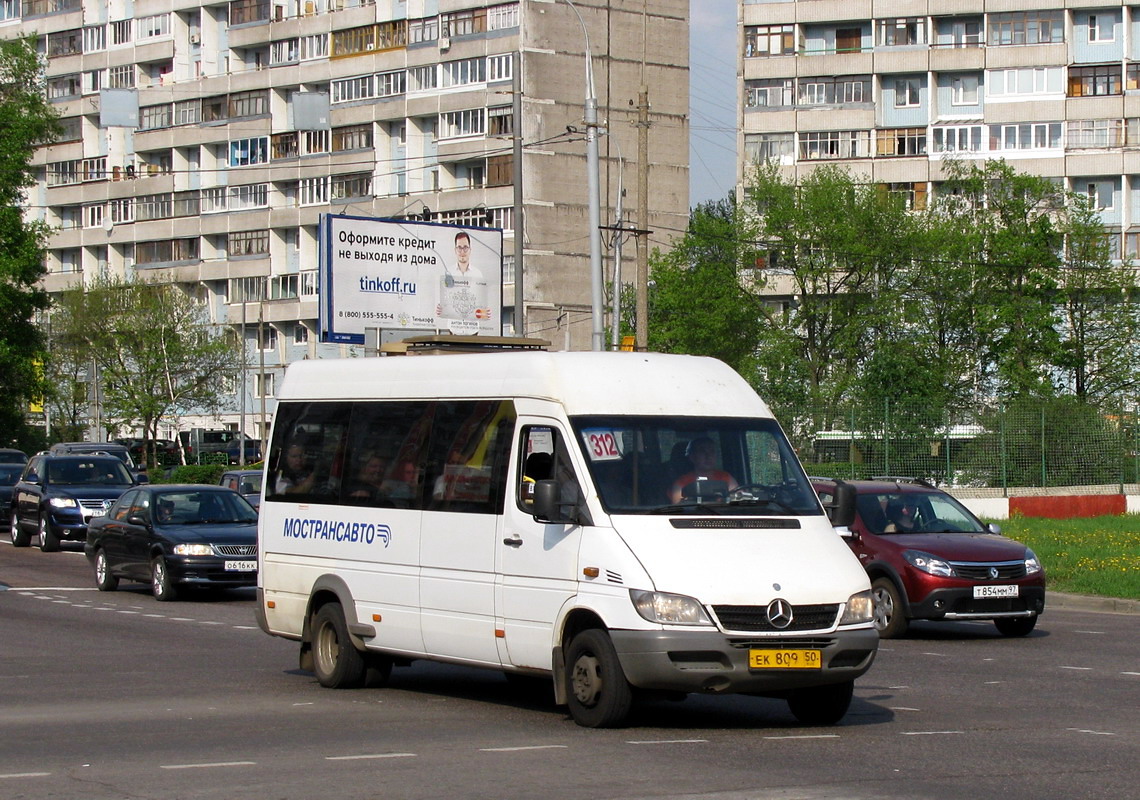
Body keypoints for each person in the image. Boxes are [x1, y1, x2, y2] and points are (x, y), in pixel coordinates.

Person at [436, 231, 490, 332]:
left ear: (470, 250)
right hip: (454, 330)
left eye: (465, 247)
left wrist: (485, 311)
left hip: (472, 330)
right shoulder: (448, 273)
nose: (462, 251)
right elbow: (445, 299)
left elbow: (481, 302)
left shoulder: (477, 274)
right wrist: (440, 308)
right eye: (459, 248)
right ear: (455, 250)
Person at [668, 437, 739, 503]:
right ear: (692, 457)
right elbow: (680, 509)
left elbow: (739, 499)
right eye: (702, 451)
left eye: (712, 451)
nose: (708, 456)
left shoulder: (726, 478)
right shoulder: (682, 483)